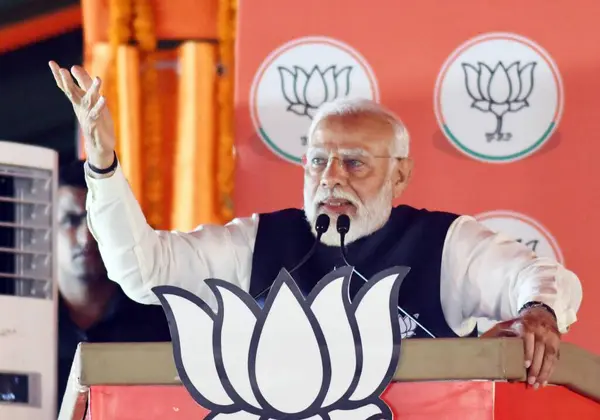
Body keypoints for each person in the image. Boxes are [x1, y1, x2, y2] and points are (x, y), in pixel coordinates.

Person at [48, 61, 582, 391]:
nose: (331, 179)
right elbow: (142, 271)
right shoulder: (260, 242)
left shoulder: (444, 245)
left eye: (354, 164)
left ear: (400, 176)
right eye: (318, 163)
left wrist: (538, 312)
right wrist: (102, 163)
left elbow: (539, 278)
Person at [56, 158, 172, 409]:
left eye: (96, 220)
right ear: (46, 231)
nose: (86, 235)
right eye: (70, 220)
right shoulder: (26, 321)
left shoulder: (159, 312)